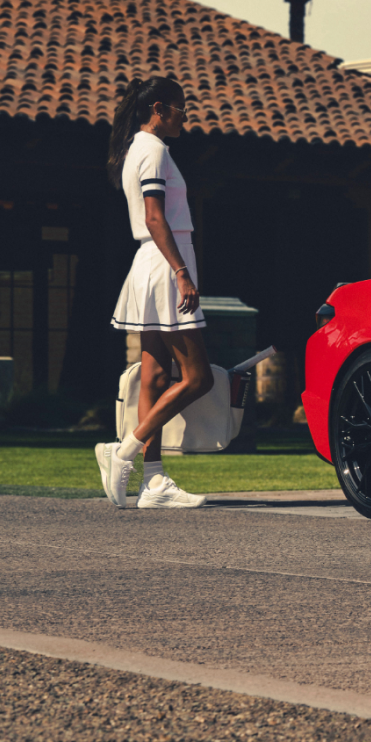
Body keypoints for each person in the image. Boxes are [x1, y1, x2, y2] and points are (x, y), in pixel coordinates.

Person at [94, 77, 213, 509]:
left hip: (152, 261)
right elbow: (155, 217)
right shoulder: (155, 149)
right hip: (165, 263)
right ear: (160, 108)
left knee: (156, 376)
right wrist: (182, 272)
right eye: (182, 108)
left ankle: (153, 481)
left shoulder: (137, 150)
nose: (187, 116)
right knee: (199, 377)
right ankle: (124, 450)